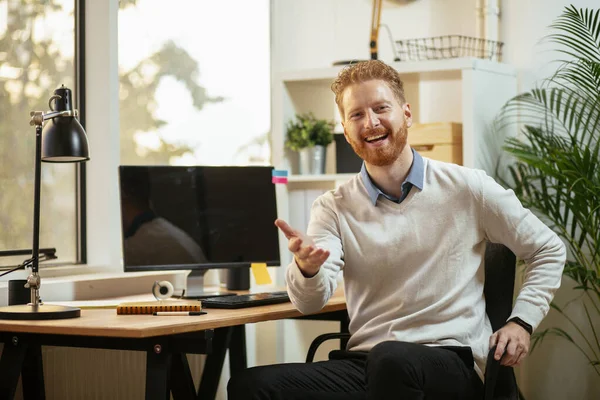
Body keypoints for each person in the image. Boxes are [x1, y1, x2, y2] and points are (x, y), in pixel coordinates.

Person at [227, 60, 566, 400]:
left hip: (450, 361)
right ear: (345, 131)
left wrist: (521, 322)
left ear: (406, 114)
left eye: (380, 108)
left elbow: (547, 249)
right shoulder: (333, 207)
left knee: (392, 359)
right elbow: (310, 303)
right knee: (250, 386)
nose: (370, 122)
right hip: (366, 362)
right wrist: (307, 269)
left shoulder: (468, 187)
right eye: (356, 115)